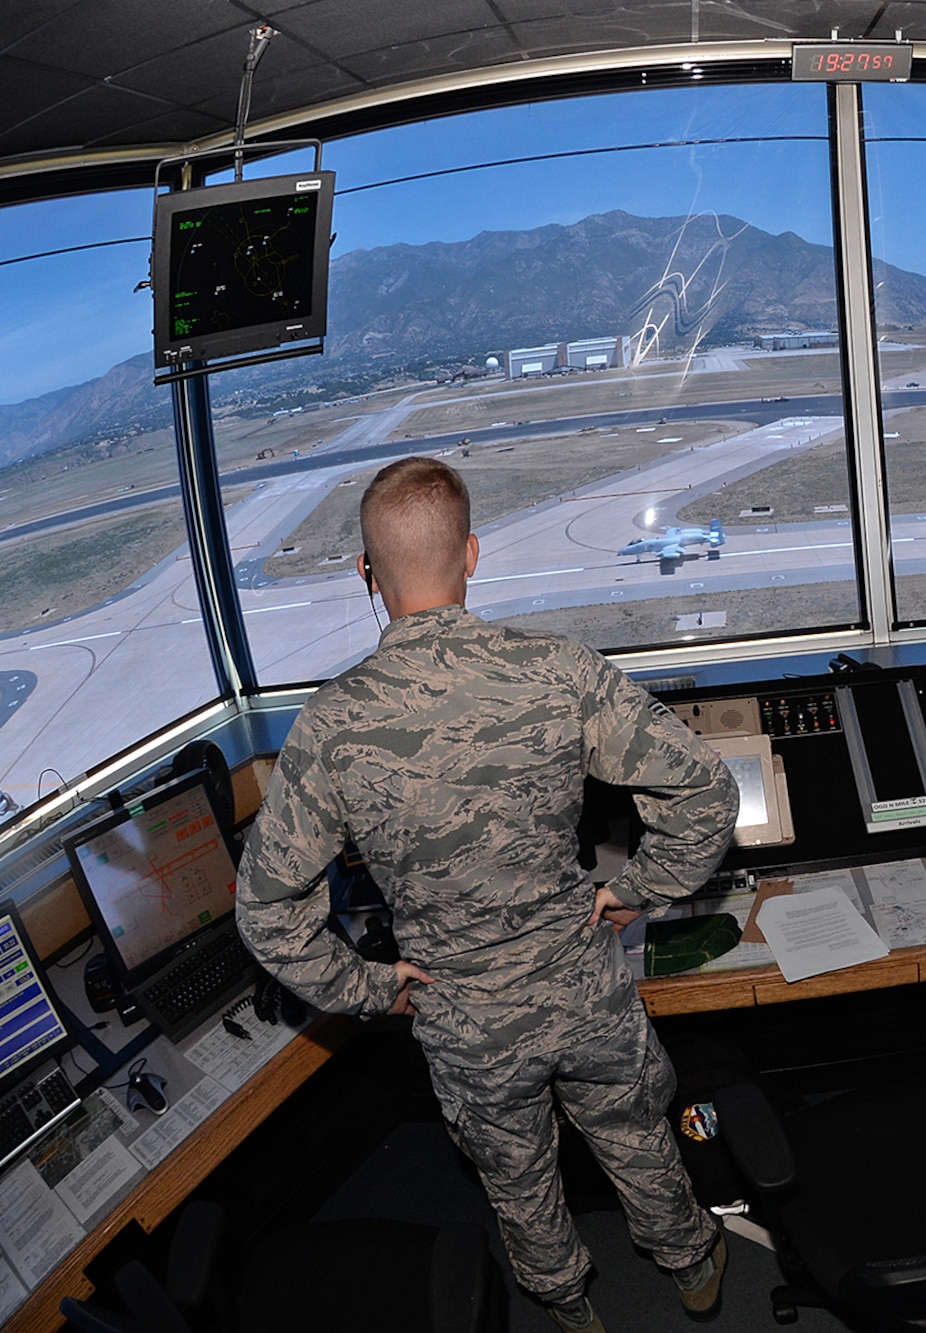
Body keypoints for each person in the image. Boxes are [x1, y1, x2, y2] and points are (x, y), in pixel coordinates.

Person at [237, 458, 739, 1333]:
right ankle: (691, 1263)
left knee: (517, 1178)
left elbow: (268, 914)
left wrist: (375, 985)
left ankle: (572, 1308)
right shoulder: (559, 671)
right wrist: (635, 890)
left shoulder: (331, 726)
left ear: (367, 574)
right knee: (633, 1130)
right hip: (581, 984)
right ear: (470, 554)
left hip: (464, 1018)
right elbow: (706, 792)